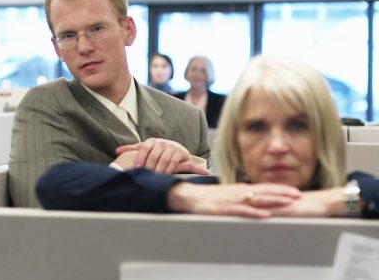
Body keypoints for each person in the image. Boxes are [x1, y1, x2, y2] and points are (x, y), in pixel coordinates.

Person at [37, 56, 378, 220]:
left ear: (324, 137)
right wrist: (187, 197)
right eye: (257, 128)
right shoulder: (215, 195)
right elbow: (56, 185)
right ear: (235, 140)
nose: (276, 146)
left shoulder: (353, 193)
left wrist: (334, 202)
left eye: (297, 127)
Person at [7, 0, 209, 208]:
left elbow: (214, 216)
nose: (83, 47)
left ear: (129, 30)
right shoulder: (46, 105)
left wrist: (186, 162)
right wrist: (120, 170)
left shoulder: (188, 120)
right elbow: (38, 210)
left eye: (96, 29)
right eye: (68, 36)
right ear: (57, 49)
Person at [179, 54, 227, 129]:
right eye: (194, 69)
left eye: (203, 71)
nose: (197, 74)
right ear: (187, 71)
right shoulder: (175, 98)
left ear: (209, 74)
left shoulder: (220, 101)